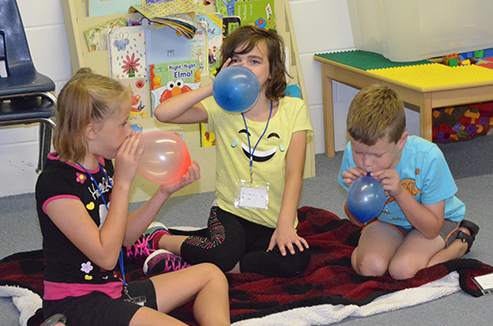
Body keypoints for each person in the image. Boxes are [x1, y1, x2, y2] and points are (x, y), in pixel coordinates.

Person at [35, 68, 230, 326]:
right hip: (78, 303)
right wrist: (123, 183)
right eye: (123, 123)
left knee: (212, 274)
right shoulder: (55, 183)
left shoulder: (103, 163)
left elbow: (125, 237)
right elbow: (105, 256)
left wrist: (163, 192)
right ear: (91, 131)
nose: (129, 131)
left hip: (114, 291)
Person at [142, 25, 312, 277]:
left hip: (272, 218)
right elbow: (163, 113)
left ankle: (206, 258)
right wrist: (214, 86)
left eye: (254, 61)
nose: (243, 68)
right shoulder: (220, 109)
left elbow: (295, 173)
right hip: (230, 212)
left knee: (295, 260)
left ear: (272, 71)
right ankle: (161, 240)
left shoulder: (293, 109)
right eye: (236, 61)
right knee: (223, 252)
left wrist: (285, 225)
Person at [338, 84, 480, 280]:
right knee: (369, 267)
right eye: (358, 152)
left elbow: (431, 229)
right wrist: (355, 193)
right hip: (390, 221)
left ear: (401, 142)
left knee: (403, 270)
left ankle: (461, 241)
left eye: (377, 155)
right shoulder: (353, 154)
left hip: (436, 221)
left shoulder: (428, 157)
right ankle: (395, 245)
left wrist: (400, 193)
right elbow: (357, 220)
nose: (366, 162)